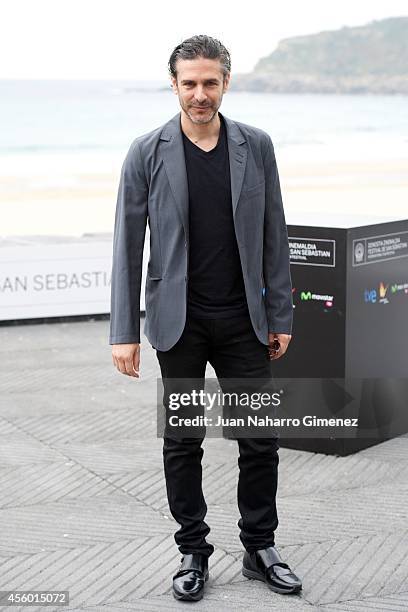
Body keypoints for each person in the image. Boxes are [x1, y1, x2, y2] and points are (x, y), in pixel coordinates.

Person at [109, 34, 302, 601]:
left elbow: (274, 233)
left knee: (260, 439)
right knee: (183, 440)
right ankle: (192, 550)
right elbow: (126, 246)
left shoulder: (256, 146)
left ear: (225, 83)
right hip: (180, 326)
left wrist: (280, 315)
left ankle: (259, 547)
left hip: (244, 320)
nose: (199, 93)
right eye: (188, 83)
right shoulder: (146, 151)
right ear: (173, 85)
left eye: (209, 82)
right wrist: (124, 332)